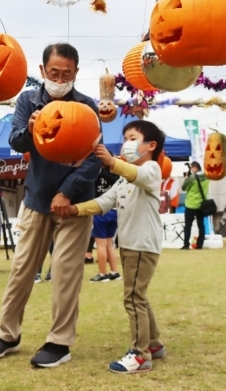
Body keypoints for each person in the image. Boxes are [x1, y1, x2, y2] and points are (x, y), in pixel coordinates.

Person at [0, 42, 101, 368]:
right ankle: (8, 333)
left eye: (66, 73)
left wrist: (67, 191)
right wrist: (31, 128)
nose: (60, 78)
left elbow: (94, 160)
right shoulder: (28, 100)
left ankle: (59, 343)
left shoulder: (87, 107)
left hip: (74, 202)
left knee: (65, 272)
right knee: (22, 268)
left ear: (76, 73)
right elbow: (15, 140)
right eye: (54, 73)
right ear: (42, 72)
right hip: (36, 198)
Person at [67, 120, 166, 374]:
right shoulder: (123, 179)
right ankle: (153, 344)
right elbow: (103, 202)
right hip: (132, 244)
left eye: (132, 138)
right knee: (138, 295)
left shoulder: (152, 168)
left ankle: (140, 355)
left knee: (133, 297)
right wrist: (74, 210)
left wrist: (112, 162)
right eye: (125, 138)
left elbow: (137, 175)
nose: (126, 143)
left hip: (142, 244)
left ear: (151, 145)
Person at [89, 166, 121, 282]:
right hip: (115, 210)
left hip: (101, 209)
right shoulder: (116, 173)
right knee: (109, 243)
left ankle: (102, 273)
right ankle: (114, 271)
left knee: (101, 245)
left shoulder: (96, 172)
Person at [181, 162, 209, 250]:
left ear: (195, 167)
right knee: (201, 225)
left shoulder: (192, 178)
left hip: (191, 204)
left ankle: (186, 245)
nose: (191, 170)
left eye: (192, 168)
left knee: (188, 225)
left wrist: (186, 178)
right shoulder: (207, 177)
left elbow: (183, 187)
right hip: (202, 205)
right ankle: (200, 244)